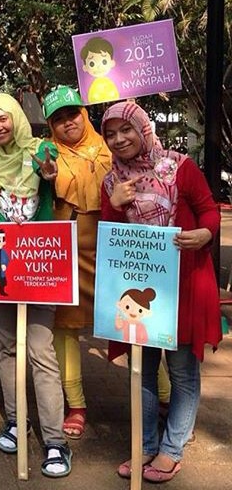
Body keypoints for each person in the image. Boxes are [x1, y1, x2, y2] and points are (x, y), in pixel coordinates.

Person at [101, 101, 221, 483]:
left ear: (144, 129)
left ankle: (172, 450)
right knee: (142, 369)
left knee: (183, 369)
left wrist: (206, 234)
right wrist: (114, 206)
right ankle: (147, 443)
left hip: (183, 282)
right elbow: (113, 238)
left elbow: (209, 211)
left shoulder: (179, 167)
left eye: (127, 129)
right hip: (138, 289)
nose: (119, 139)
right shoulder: (111, 180)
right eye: (110, 133)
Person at [0, 92, 72, 478]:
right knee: (5, 346)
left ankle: (54, 440)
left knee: (41, 351)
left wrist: (49, 174)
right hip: (0, 263)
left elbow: (54, 182)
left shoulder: (41, 149)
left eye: (3, 119)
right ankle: (16, 420)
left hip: (40, 262)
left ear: (16, 117)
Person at [42, 85, 112, 439]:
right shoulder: (46, 154)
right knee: (65, 328)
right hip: (67, 253)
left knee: (133, 323)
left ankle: (161, 398)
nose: (67, 123)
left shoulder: (112, 145)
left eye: (72, 114)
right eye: (58, 119)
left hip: (115, 251)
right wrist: (44, 178)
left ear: (84, 113)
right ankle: (76, 404)